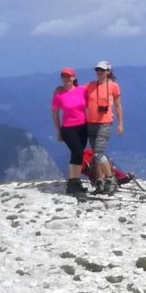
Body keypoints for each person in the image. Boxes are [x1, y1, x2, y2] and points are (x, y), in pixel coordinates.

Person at [83, 61, 124, 193]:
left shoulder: (113, 86)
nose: (99, 72)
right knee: (96, 155)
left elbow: (118, 105)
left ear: (108, 72)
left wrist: (120, 124)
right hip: (91, 123)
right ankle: (100, 182)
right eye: (97, 70)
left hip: (104, 123)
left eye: (102, 70)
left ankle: (111, 179)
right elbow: (78, 94)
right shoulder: (89, 86)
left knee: (98, 153)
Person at [50, 68, 90, 198]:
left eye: (68, 76)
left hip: (83, 127)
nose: (66, 79)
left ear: (73, 78)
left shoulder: (82, 90)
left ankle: (75, 183)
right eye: (63, 76)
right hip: (68, 128)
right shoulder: (59, 94)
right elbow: (55, 114)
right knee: (78, 152)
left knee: (77, 155)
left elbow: (94, 96)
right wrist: (59, 131)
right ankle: (73, 183)